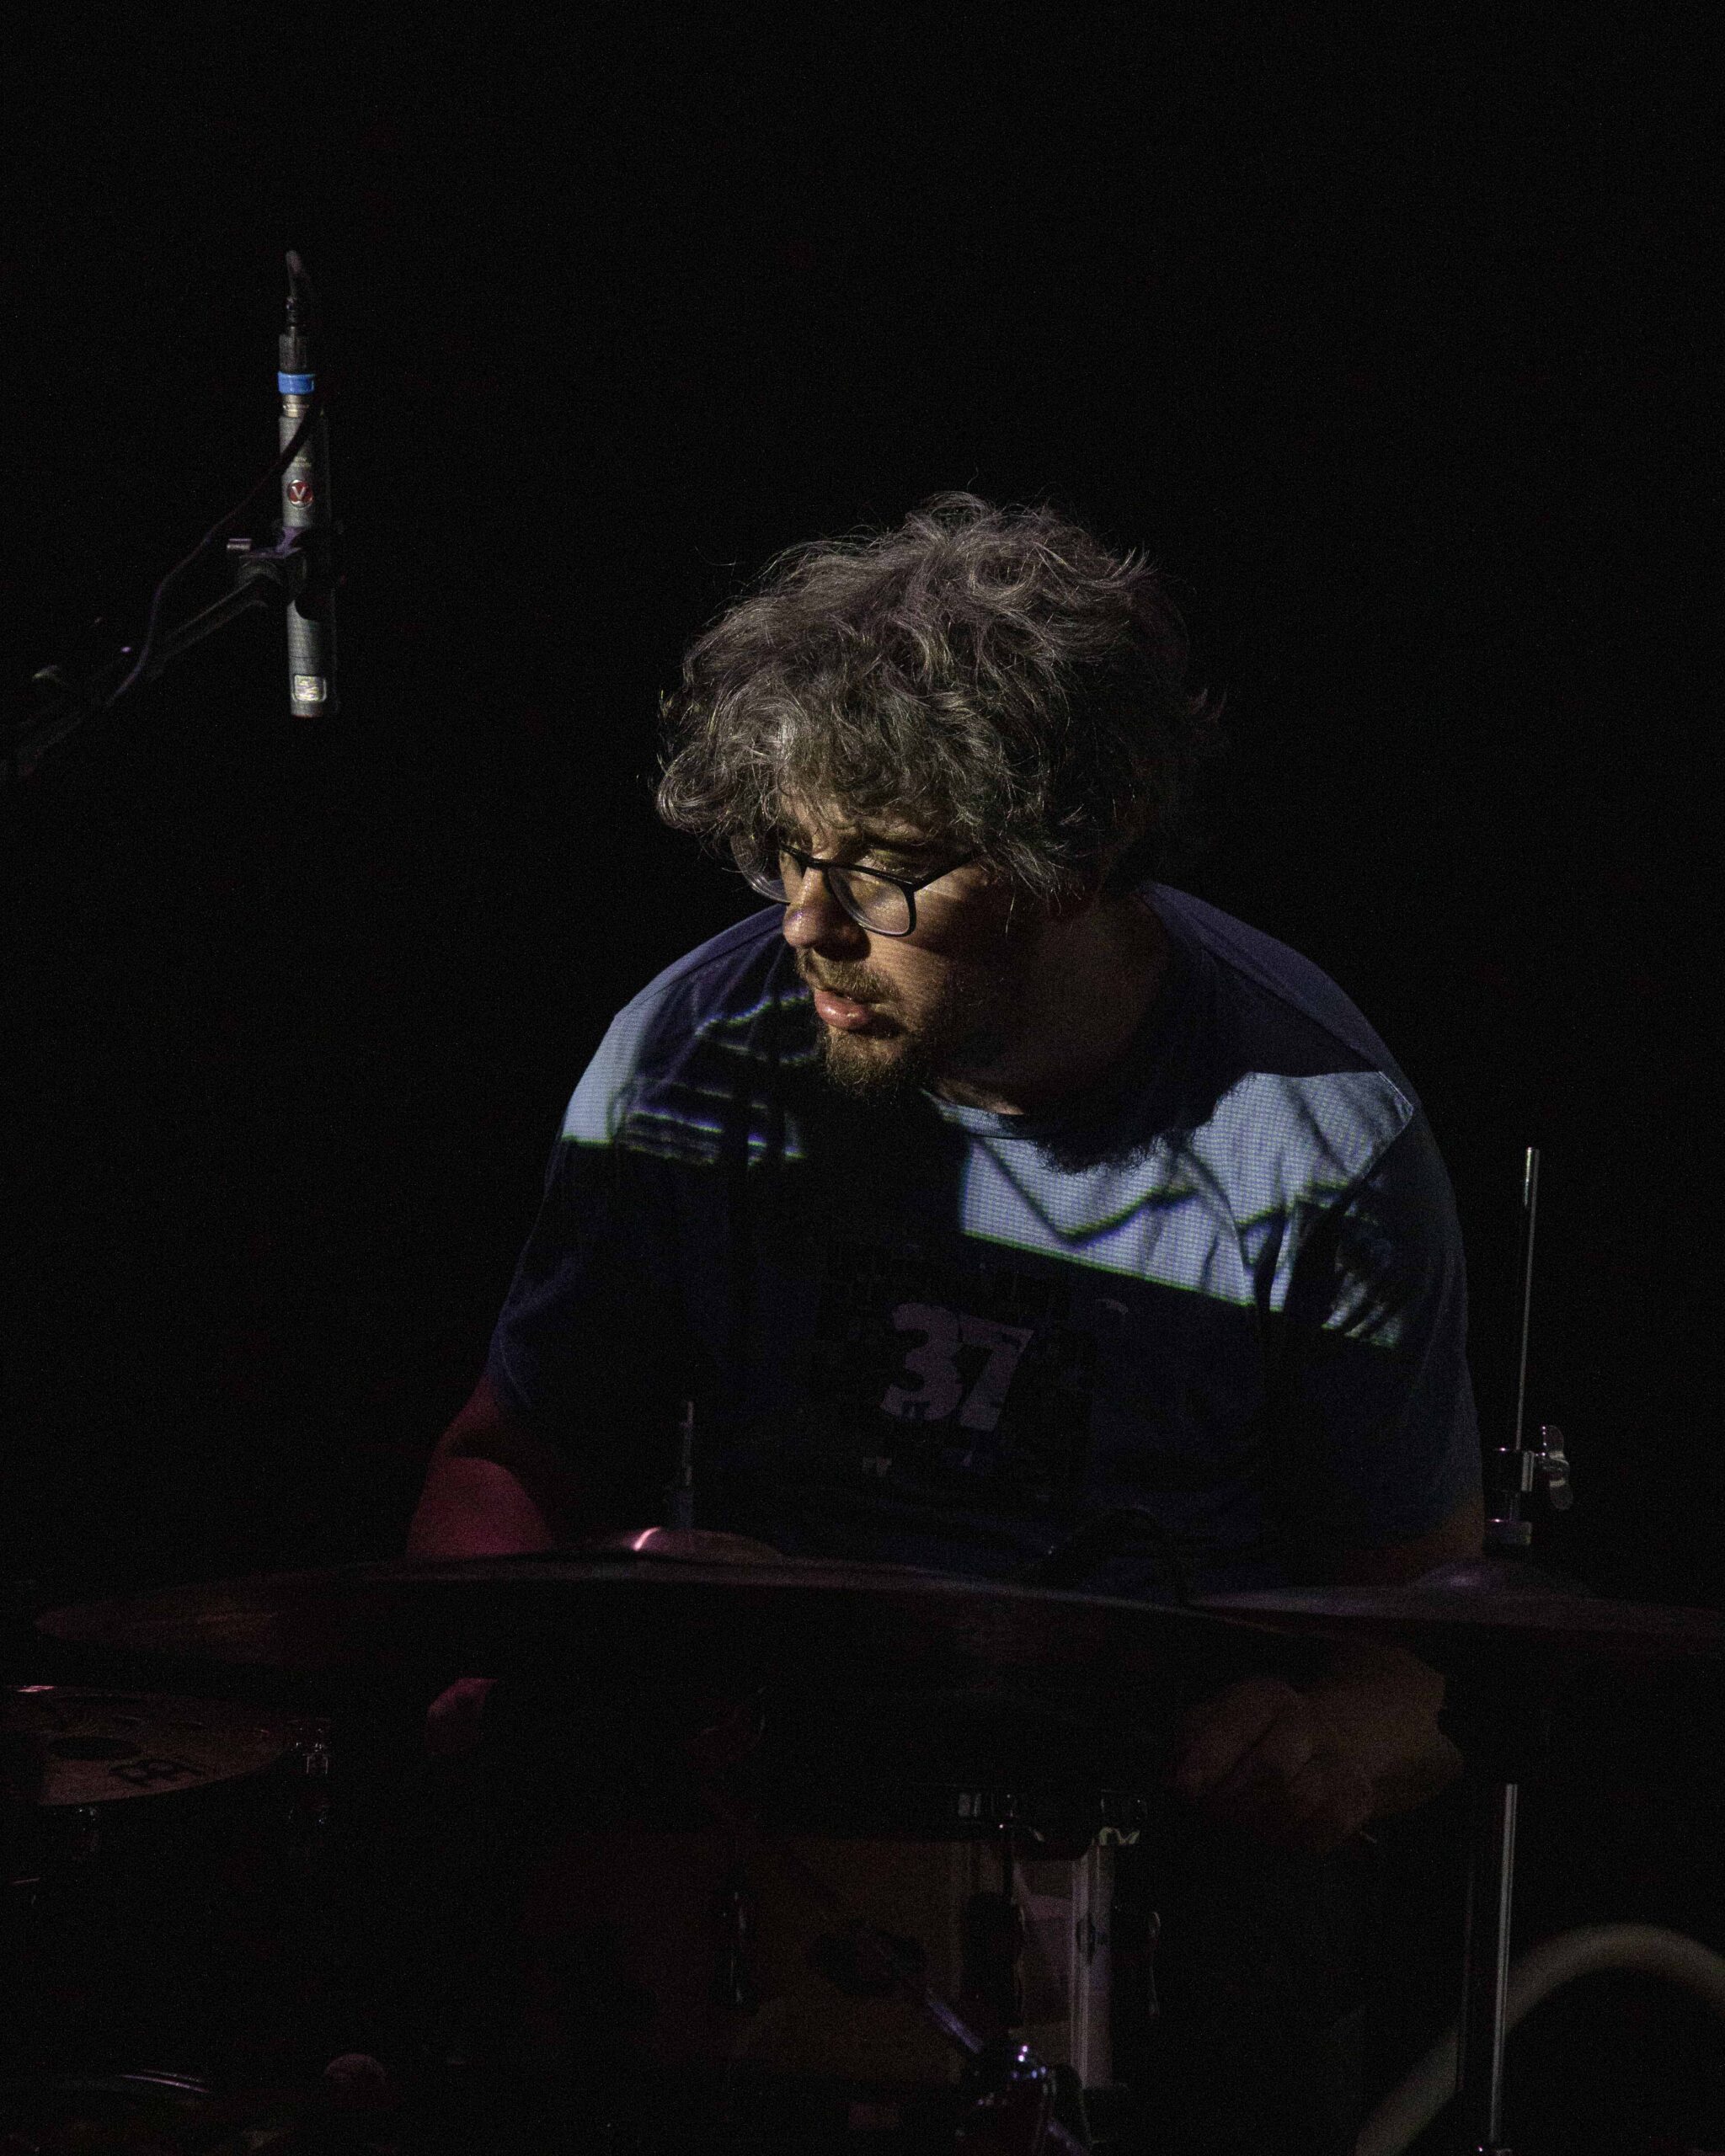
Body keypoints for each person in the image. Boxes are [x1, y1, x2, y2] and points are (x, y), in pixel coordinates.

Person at [408, 494, 1484, 2149]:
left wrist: (1323, 1737)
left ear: (1083, 845)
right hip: (759, 1837)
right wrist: (490, 1662)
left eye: (886, 868)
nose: (806, 921)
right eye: (787, 849)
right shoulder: (699, 1051)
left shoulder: (1313, 1137)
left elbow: (1425, 1647)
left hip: (1146, 1880)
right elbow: (506, 1463)